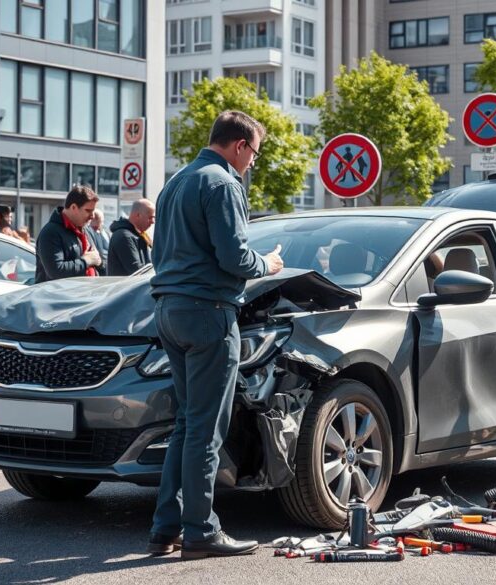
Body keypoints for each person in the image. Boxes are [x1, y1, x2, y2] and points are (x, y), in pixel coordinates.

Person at [147, 111, 284, 558]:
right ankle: (201, 532)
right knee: (206, 430)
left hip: (168, 310)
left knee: (187, 424)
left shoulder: (175, 182)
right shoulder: (224, 184)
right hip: (208, 312)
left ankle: (166, 528)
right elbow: (235, 258)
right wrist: (270, 265)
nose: (252, 165)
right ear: (240, 145)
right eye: (254, 156)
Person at [34, 186, 103, 283]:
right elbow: (55, 271)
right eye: (88, 211)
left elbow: (98, 262)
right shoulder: (50, 232)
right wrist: (86, 261)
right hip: (60, 297)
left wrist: (99, 263)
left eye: (93, 211)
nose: (92, 216)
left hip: (86, 294)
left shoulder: (86, 230)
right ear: (73, 207)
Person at [107, 199, 155, 276]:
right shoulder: (124, 236)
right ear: (138, 215)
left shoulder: (137, 235)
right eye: (150, 217)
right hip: (125, 287)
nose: (153, 221)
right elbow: (137, 271)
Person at [86, 208, 111, 276]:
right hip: (100, 268)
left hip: (108, 268)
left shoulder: (106, 233)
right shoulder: (89, 233)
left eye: (101, 221)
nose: (100, 224)